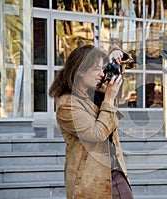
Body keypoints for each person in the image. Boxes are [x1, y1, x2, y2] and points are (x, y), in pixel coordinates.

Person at [49, 44, 134, 199]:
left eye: (102, 69)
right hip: (90, 181)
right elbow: (97, 134)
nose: (101, 74)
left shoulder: (92, 94)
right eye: (97, 69)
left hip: (116, 173)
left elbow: (117, 73)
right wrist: (108, 99)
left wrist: (115, 53)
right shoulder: (67, 105)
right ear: (80, 70)